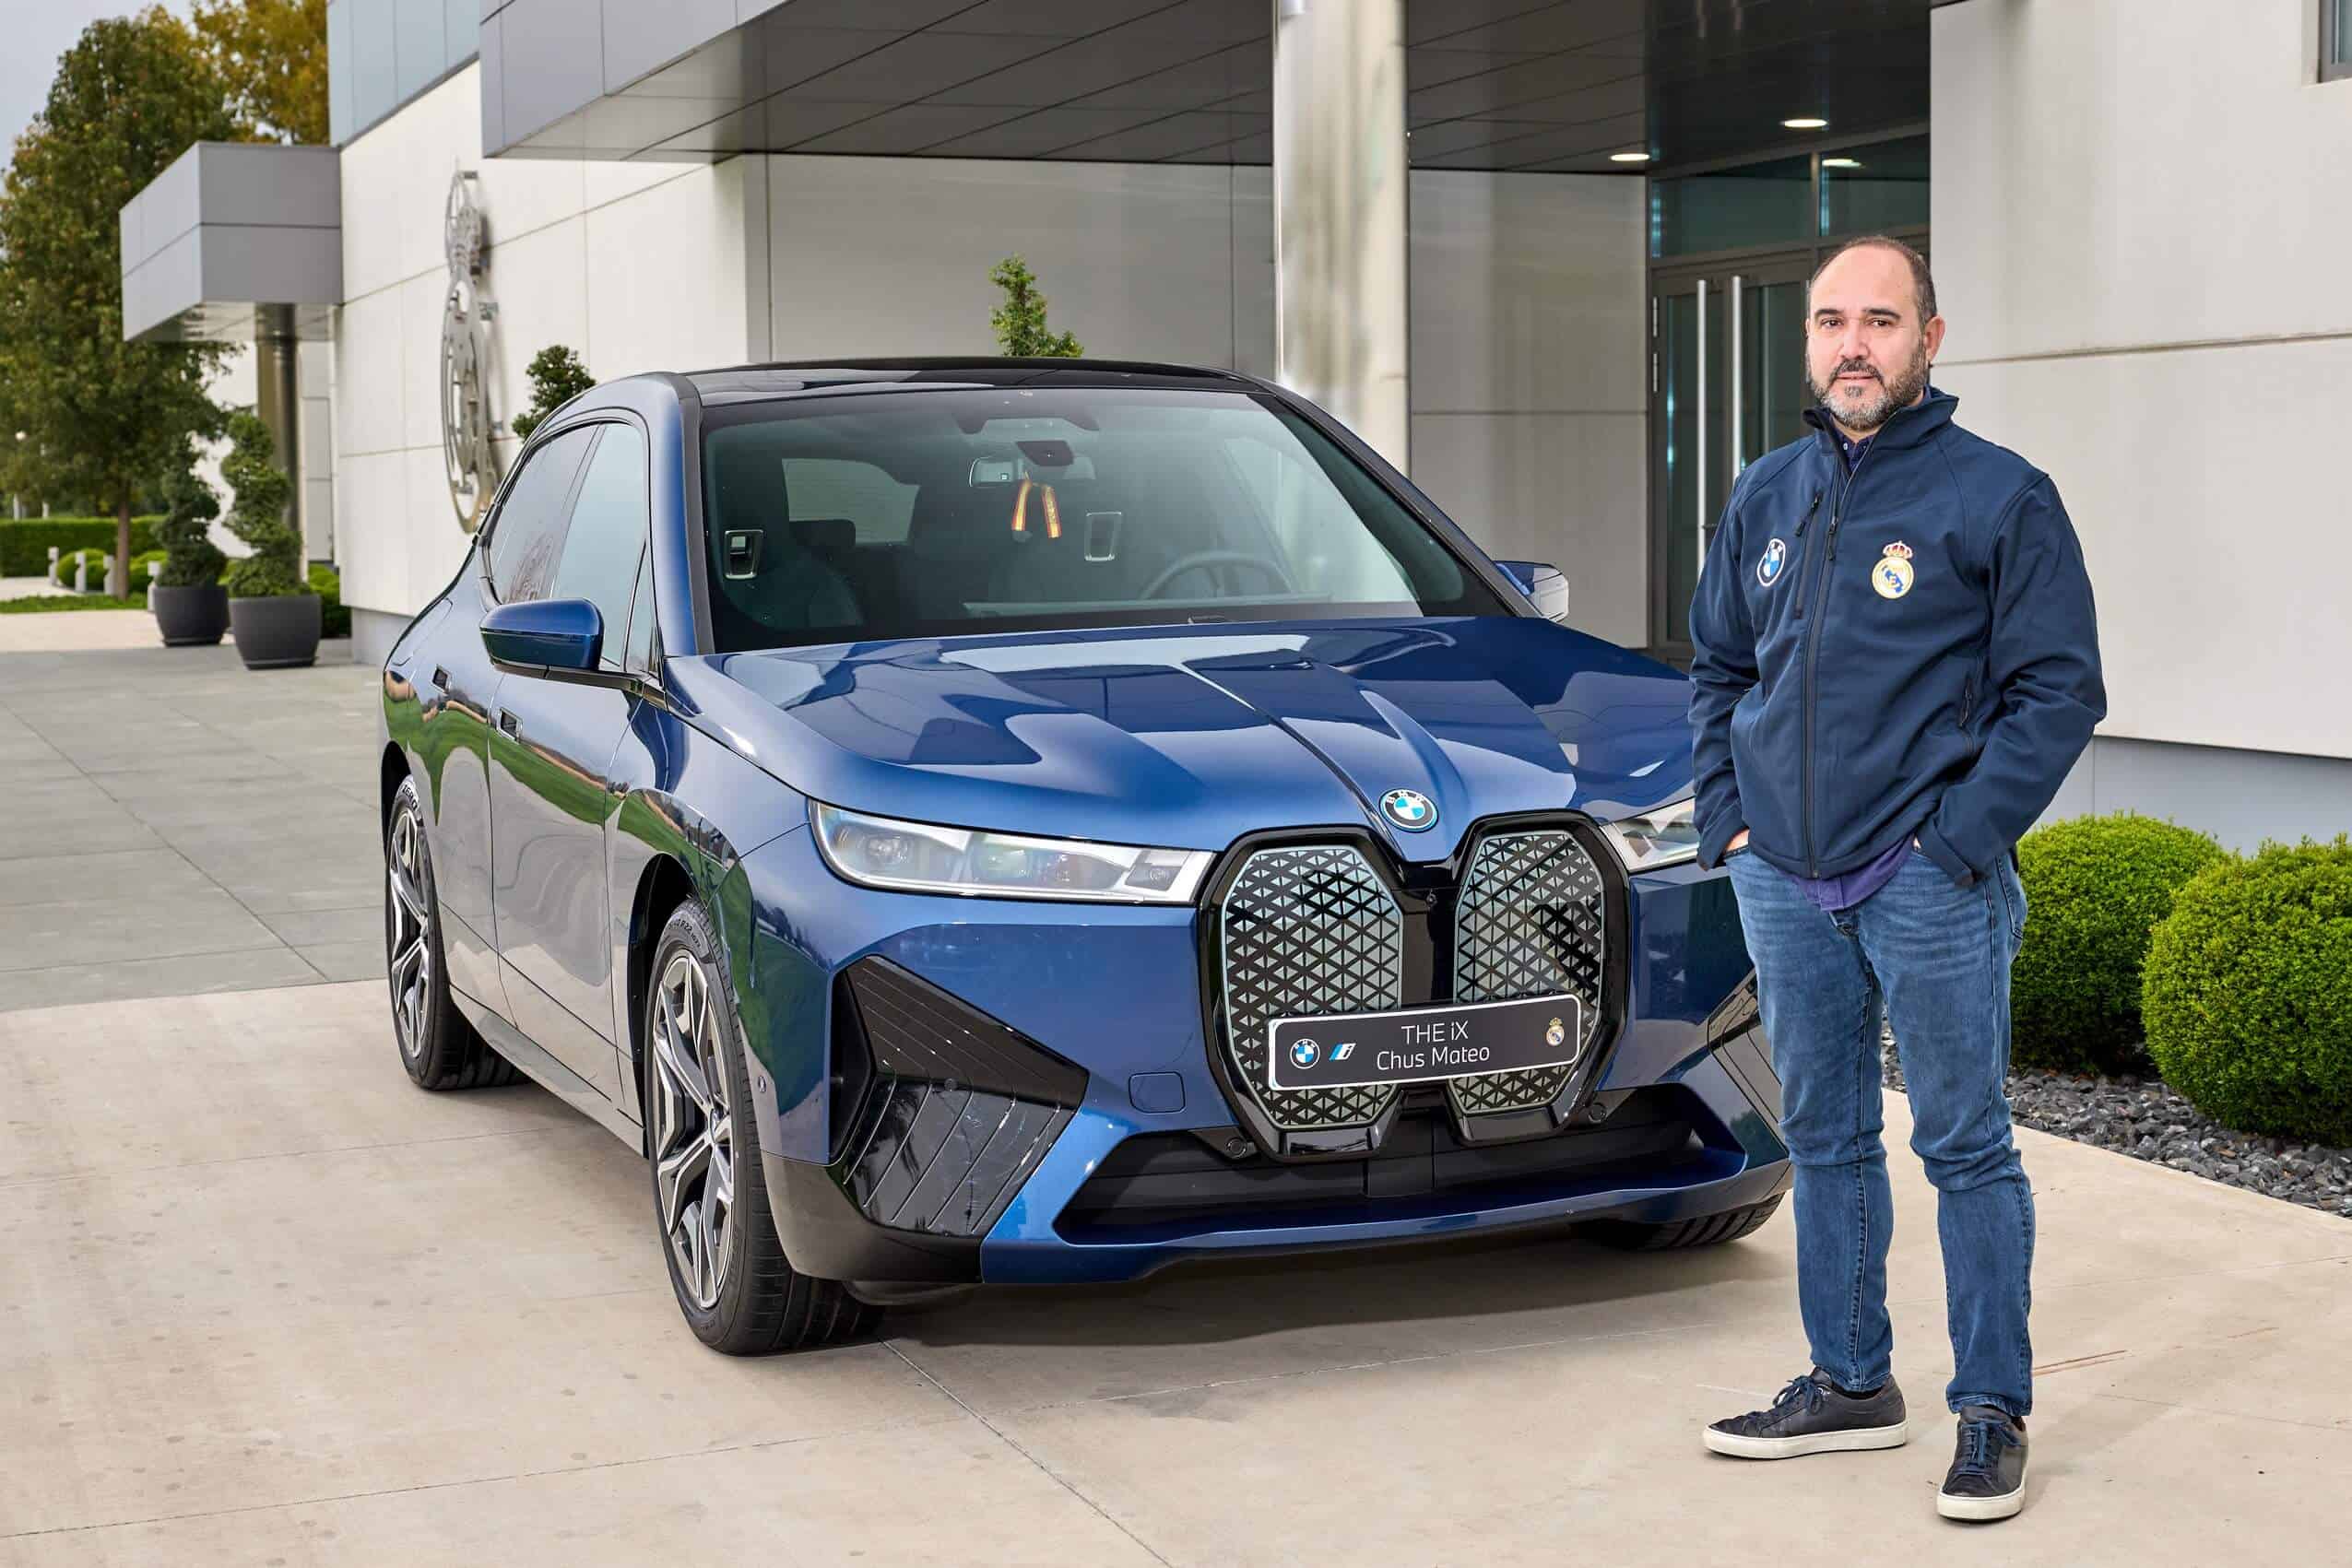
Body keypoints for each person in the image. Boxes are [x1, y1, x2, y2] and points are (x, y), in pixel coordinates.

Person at [1684, 234, 2105, 1522]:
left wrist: (1958, 842)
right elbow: (1718, 669)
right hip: (1784, 877)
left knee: (1964, 1145)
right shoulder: (1766, 493)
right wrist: (1729, 822)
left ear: (1930, 337)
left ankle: (1991, 1410)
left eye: (1880, 320)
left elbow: (2059, 690)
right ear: (1809, 341)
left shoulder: (2001, 496)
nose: (1853, 345)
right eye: (1832, 322)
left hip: (1928, 880)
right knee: (1823, 1136)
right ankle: (1851, 1381)